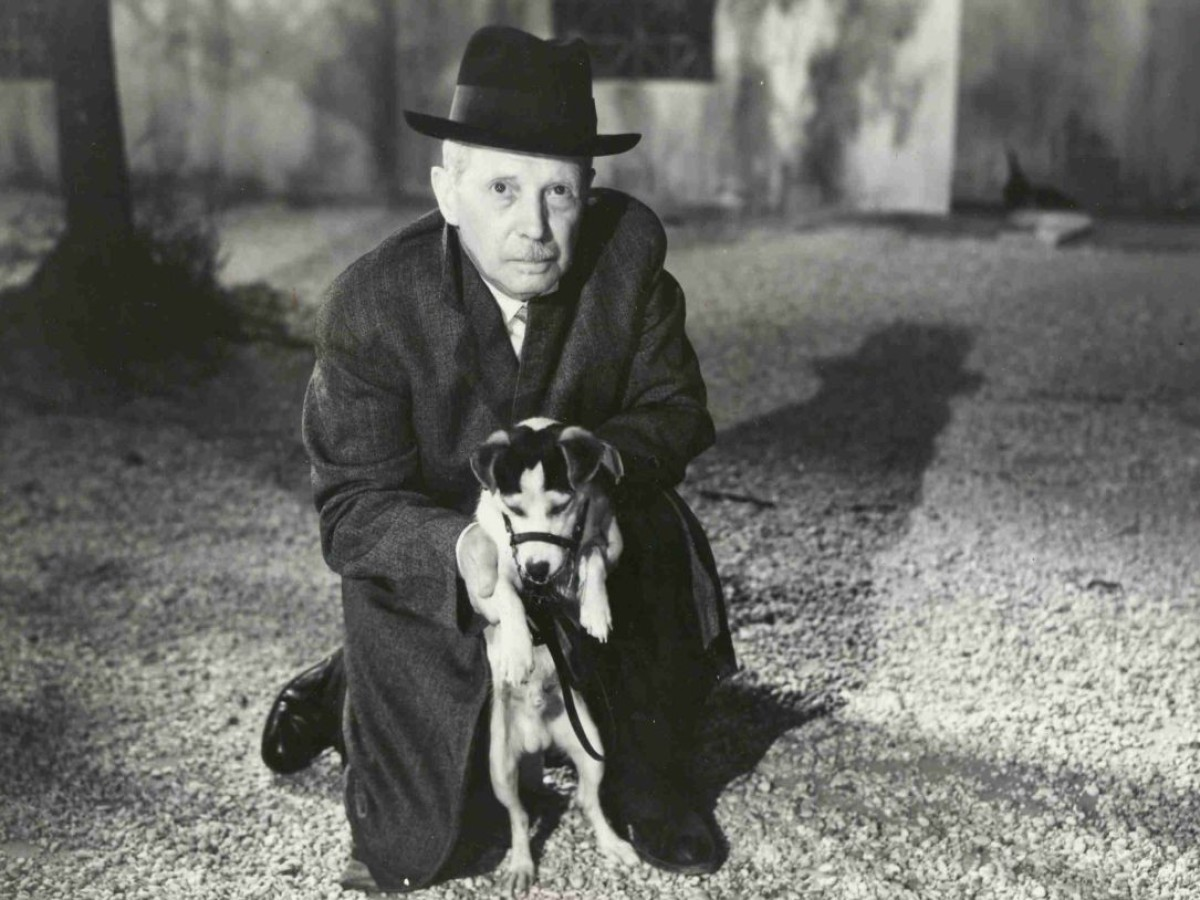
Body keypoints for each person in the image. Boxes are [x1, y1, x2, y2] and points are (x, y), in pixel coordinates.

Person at [259, 25, 736, 893]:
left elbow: (676, 410)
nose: (535, 227)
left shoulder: (629, 258)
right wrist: (460, 551)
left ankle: (647, 774)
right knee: (418, 847)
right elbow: (353, 508)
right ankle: (349, 685)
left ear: (589, 193)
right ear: (448, 192)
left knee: (656, 528)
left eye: (560, 192)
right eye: (503, 189)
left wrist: (602, 474)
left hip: (573, 528)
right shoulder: (373, 305)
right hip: (448, 552)